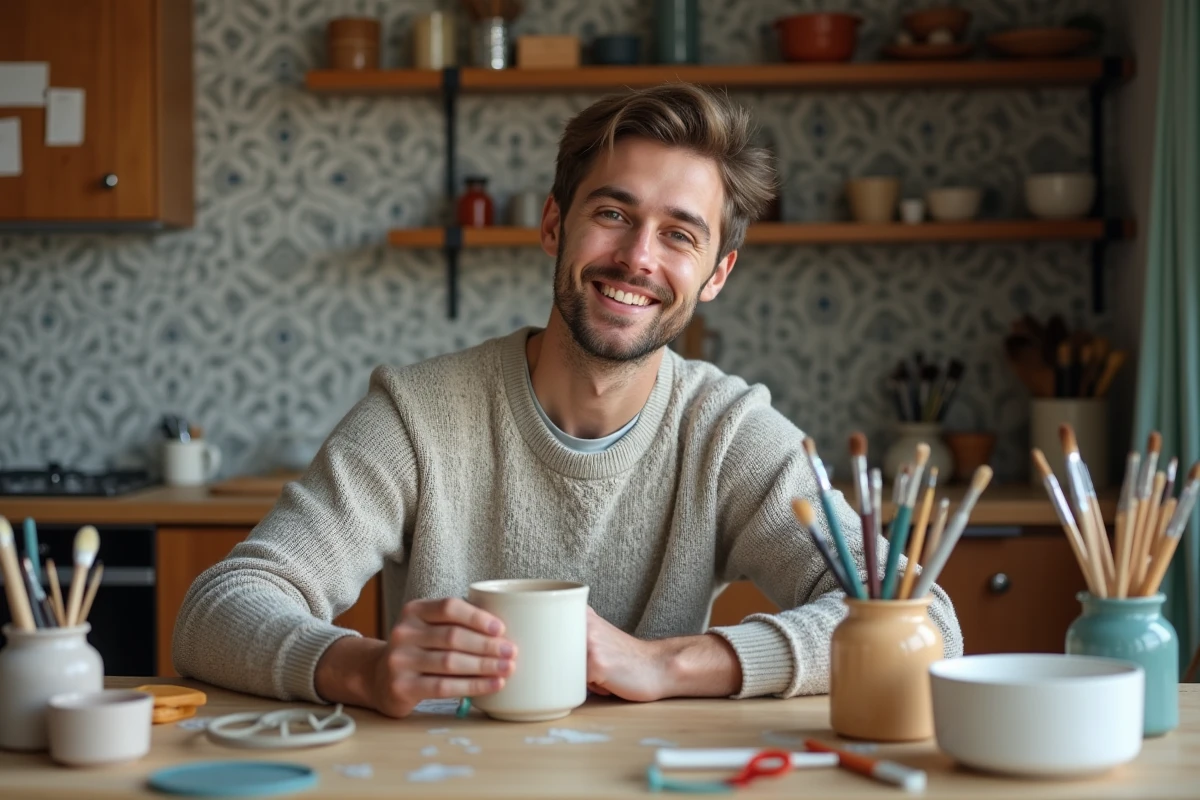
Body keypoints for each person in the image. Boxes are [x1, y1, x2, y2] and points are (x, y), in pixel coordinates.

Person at [173, 83, 962, 718]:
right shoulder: (418, 415)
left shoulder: (728, 433)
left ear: (716, 274)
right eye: (613, 214)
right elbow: (218, 609)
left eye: (680, 234)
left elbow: (924, 617)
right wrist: (365, 669)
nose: (637, 257)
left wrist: (665, 664)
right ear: (555, 224)